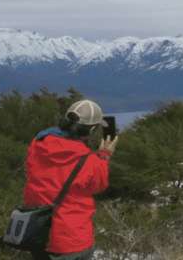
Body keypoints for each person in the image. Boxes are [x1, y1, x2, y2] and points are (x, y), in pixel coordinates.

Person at [22, 99, 119, 260]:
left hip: (38, 231)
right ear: (93, 129)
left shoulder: (38, 143)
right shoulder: (90, 161)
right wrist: (104, 155)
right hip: (71, 238)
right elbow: (98, 186)